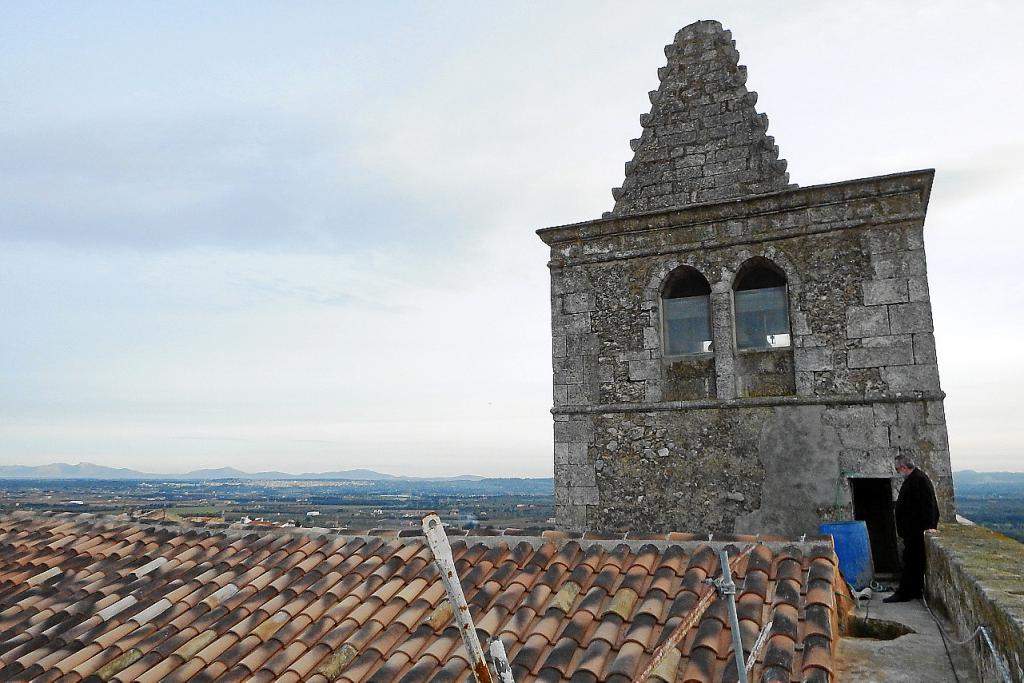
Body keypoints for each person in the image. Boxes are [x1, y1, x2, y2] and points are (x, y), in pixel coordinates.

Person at [884, 454, 940, 603]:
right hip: (912, 531)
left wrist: (930, 526)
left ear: (903, 467)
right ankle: (913, 590)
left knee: (911, 562)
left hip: (916, 531)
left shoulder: (919, 479)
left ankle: (905, 593)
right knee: (912, 561)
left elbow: (930, 505)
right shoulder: (915, 478)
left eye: (897, 469)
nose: (897, 472)